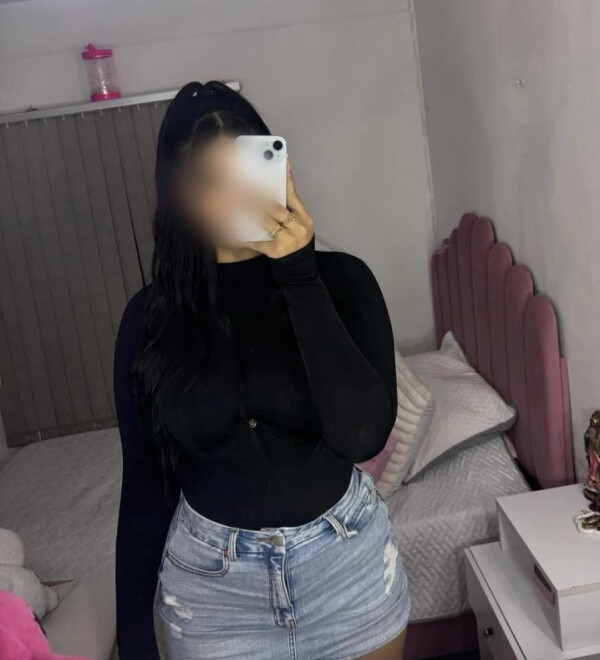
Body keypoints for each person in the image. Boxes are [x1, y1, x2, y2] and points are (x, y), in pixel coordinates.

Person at [114, 80, 410, 660]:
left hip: (346, 568)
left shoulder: (342, 282)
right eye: (210, 181)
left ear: (280, 169)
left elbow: (362, 435)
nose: (235, 199)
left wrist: (299, 275)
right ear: (179, 198)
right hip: (212, 592)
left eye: (246, 173)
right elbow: (144, 486)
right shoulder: (150, 319)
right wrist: (135, 641)